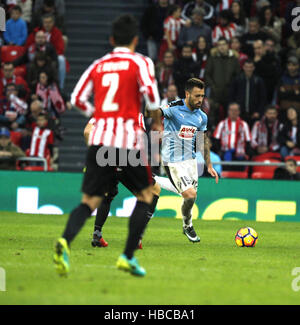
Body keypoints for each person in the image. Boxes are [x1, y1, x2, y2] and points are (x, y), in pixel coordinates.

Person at [53, 14, 161, 277]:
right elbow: (153, 98)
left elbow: (77, 99)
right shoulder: (141, 62)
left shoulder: (98, 64)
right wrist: (156, 123)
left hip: (100, 141)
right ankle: (127, 256)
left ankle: (65, 241)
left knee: (89, 201)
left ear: (112, 39)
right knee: (148, 194)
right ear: (136, 40)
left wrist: (99, 115)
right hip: (127, 142)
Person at [83, 113, 161, 249]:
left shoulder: (103, 111)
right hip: (127, 160)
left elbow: (87, 132)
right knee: (153, 191)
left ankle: (97, 234)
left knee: (107, 194)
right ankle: (137, 237)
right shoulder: (135, 113)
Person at [156, 78, 219, 242]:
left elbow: (202, 141)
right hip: (172, 160)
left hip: (190, 161)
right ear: (187, 94)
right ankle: (188, 226)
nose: (200, 100)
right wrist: (153, 122)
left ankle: (153, 179)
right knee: (189, 195)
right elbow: (156, 112)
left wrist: (209, 165)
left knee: (188, 195)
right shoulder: (174, 107)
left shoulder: (201, 117)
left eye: (202, 96)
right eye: (197, 96)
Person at [204, 37, 240, 126]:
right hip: (215, 93)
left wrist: (232, 87)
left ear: (228, 46)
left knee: (229, 116)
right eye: (219, 45)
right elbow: (207, 75)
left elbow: (238, 75)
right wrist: (213, 86)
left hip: (230, 93)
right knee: (213, 116)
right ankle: (214, 135)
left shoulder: (233, 59)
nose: (222, 47)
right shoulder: (212, 59)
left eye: (223, 44)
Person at [213, 102, 252, 167]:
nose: (233, 112)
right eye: (231, 110)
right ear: (228, 111)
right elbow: (216, 140)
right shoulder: (222, 124)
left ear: (239, 112)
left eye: (236, 110)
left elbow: (248, 142)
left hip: (240, 155)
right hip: (225, 153)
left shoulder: (244, 124)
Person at [229, 59, 267, 124]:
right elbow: (231, 96)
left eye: (250, 67)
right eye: (246, 67)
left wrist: (259, 111)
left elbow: (262, 98)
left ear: (253, 68)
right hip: (239, 114)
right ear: (243, 67)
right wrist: (234, 111)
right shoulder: (237, 79)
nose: (248, 69)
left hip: (254, 114)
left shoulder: (258, 81)